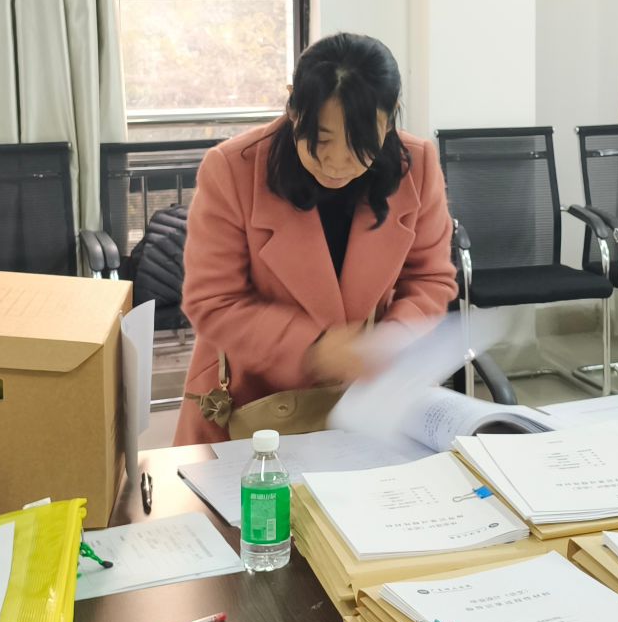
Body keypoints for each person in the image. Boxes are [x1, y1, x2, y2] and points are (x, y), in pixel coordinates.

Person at [174, 32, 456, 446]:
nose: (336, 162)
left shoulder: (417, 165)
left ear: (391, 116)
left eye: (361, 144)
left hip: (365, 399)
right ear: (293, 106)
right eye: (320, 139)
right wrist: (316, 349)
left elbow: (430, 278)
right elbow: (212, 301)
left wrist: (390, 342)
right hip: (251, 400)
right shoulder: (232, 170)